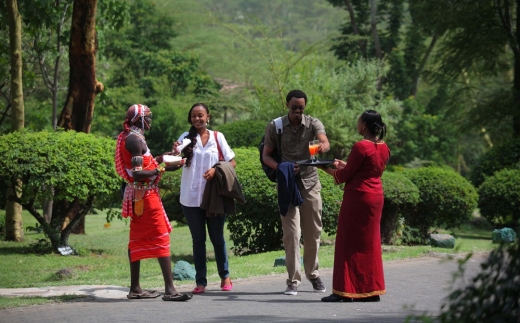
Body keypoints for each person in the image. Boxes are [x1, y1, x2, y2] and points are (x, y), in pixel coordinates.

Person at [114, 103, 191, 302]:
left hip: (139, 195)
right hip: (146, 196)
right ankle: (170, 289)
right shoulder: (135, 140)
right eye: (147, 117)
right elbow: (139, 173)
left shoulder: (132, 137)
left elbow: (147, 163)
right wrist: (163, 169)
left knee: (137, 239)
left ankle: (136, 289)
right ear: (139, 119)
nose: (150, 120)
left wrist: (166, 158)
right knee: (161, 235)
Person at [262, 89, 330, 296]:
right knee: (292, 234)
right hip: (287, 183)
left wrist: (322, 147)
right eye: (294, 108)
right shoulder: (276, 126)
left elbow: (324, 140)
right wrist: (282, 168)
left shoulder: (313, 123)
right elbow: (266, 156)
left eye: (301, 108)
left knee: (313, 232)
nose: (298, 111)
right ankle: (293, 280)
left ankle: (313, 274)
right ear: (287, 106)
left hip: (310, 182)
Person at [320, 109, 390, 303]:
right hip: (375, 197)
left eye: (358, 121)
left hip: (358, 197)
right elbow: (367, 170)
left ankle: (343, 291)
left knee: (347, 242)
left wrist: (322, 167)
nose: (357, 124)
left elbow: (344, 176)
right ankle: (371, 290)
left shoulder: (361, 146)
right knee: (370, 243)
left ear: (364, 125)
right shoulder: (384, 147)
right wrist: (345, 164)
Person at [173, 103, 237, 294]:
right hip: (190, 198)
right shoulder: (185, 138)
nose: (197, 119)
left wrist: (216, 170)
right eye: (193, 116)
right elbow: (175, 160)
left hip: (213, 197)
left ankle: (225, 275)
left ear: (208, 116)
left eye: (200, 115)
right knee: (198, 240)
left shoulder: (218, 137)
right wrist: (175, 152)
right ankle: (201, 281)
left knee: (217, 238)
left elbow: (232, 161)